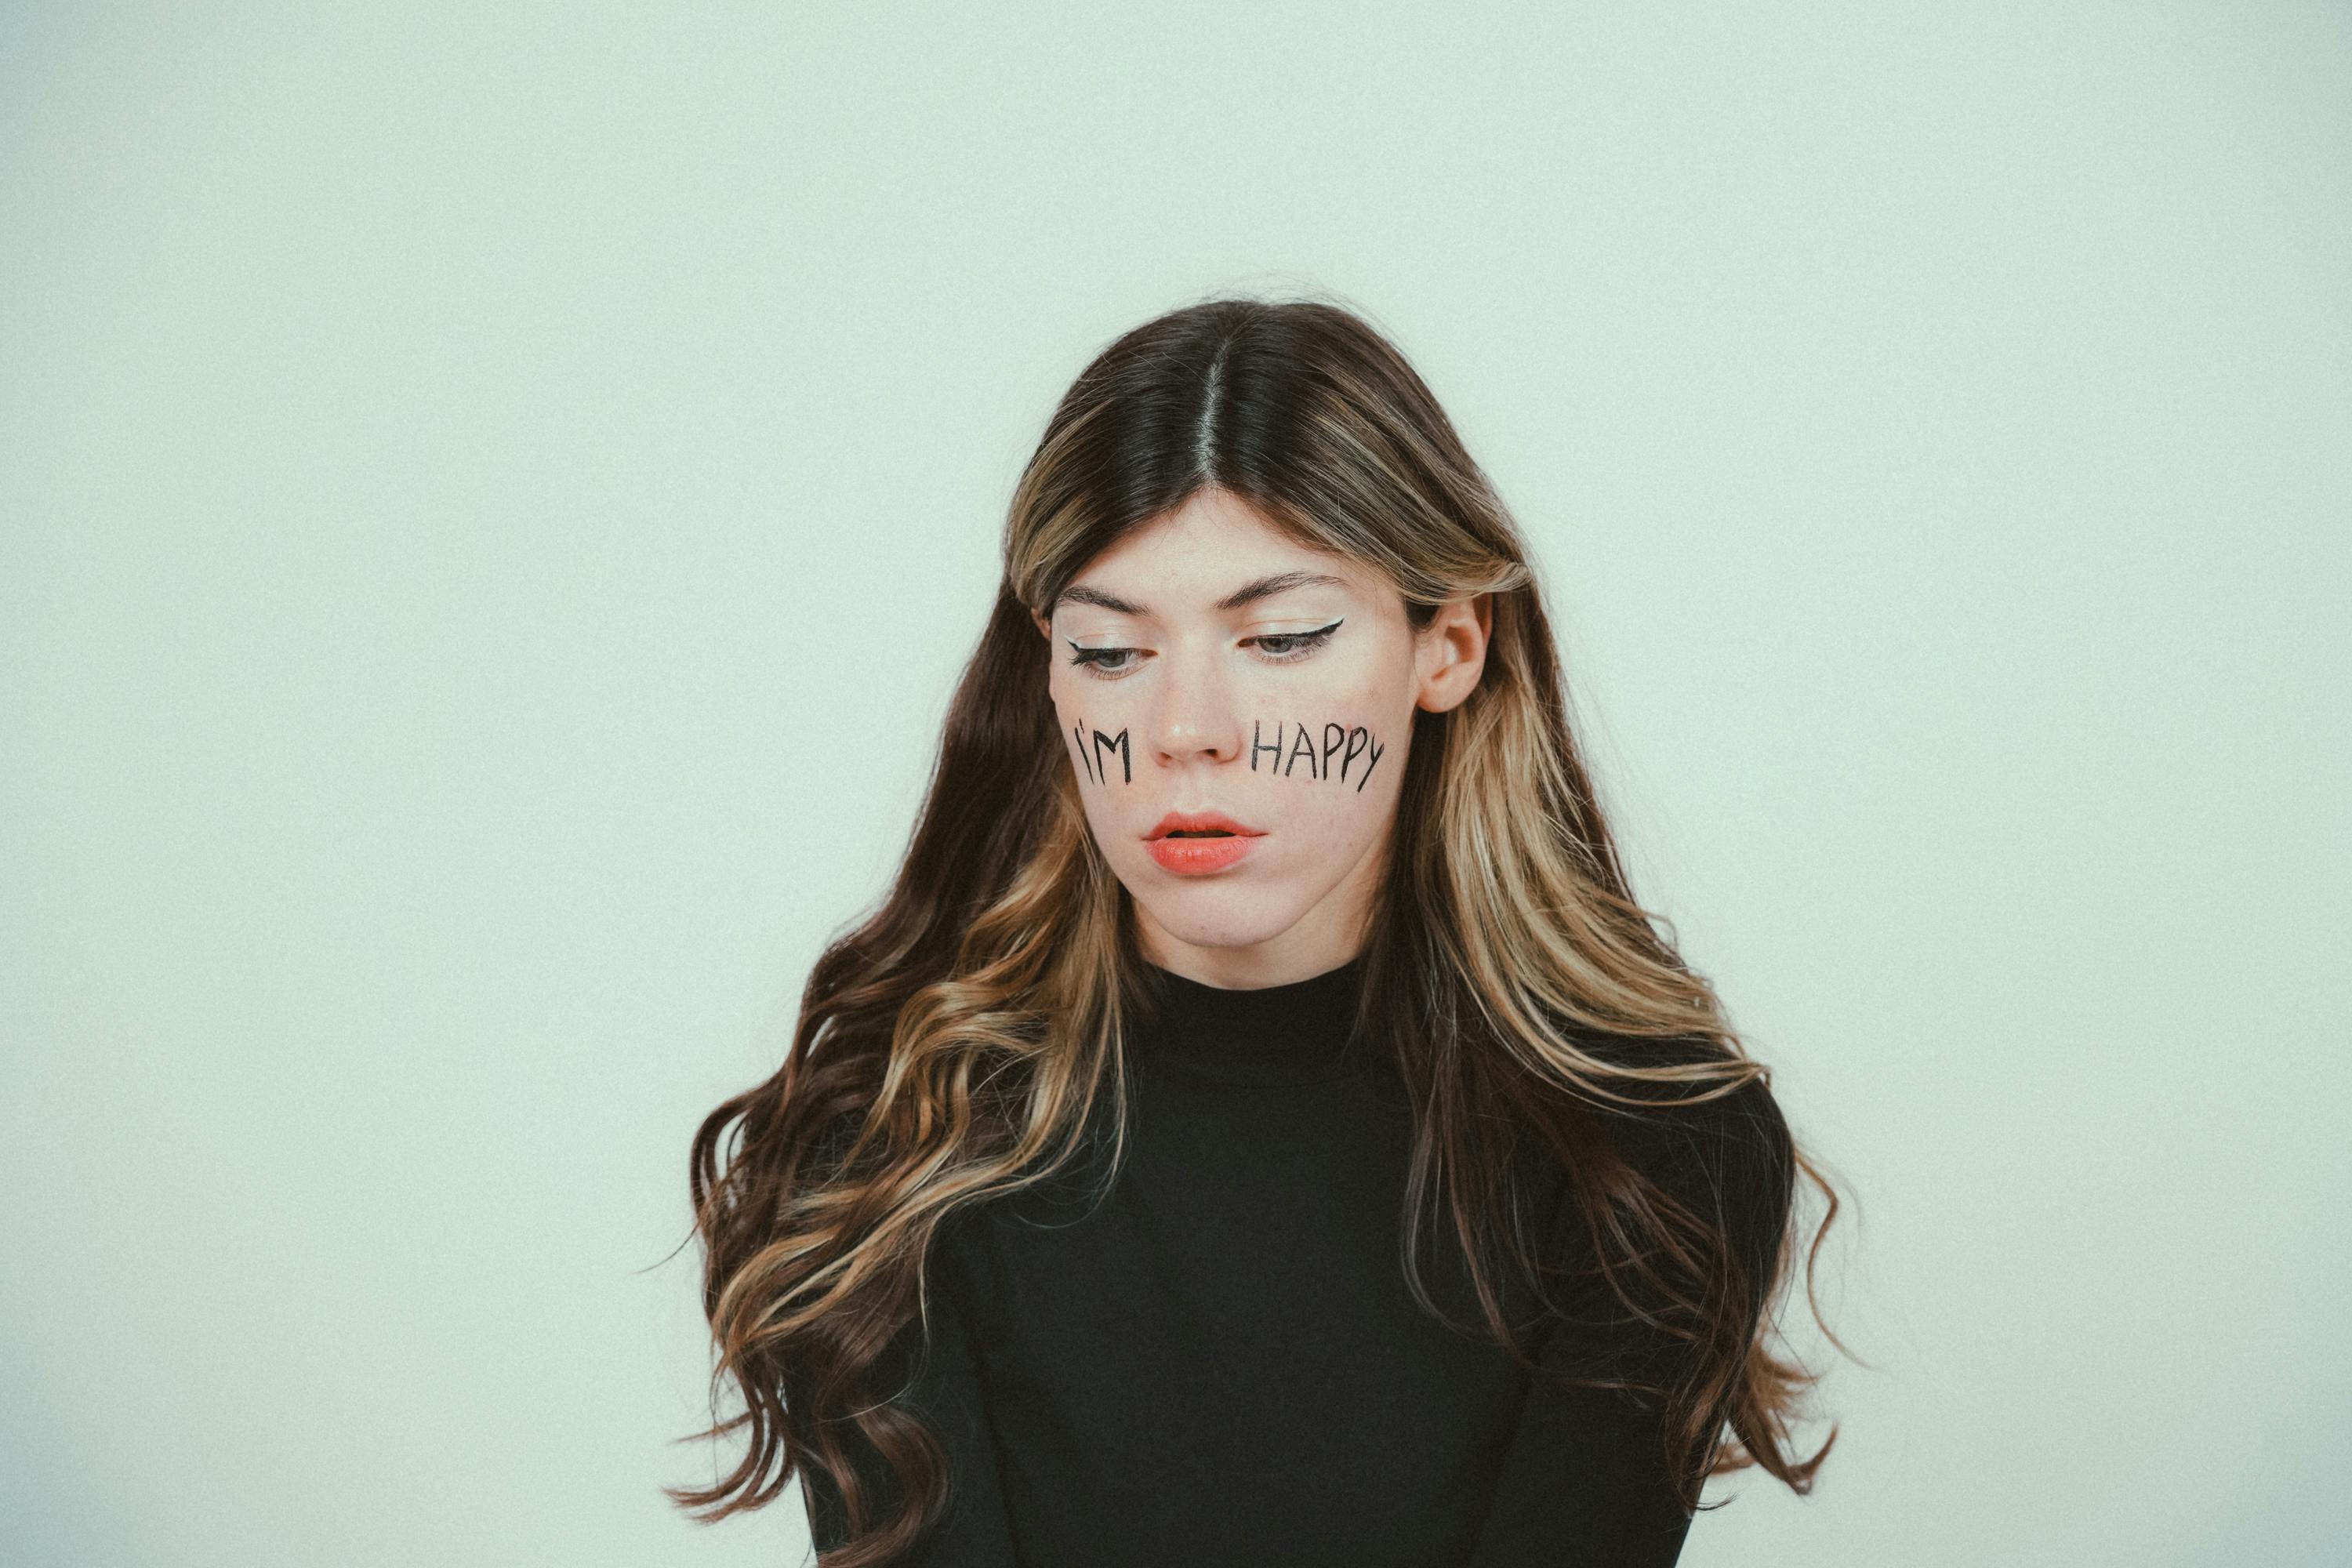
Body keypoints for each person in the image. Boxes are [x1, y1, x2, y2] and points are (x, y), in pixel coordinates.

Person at [670, 295, 1841, 1567]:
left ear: (1448, 646)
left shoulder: (1651, 1158)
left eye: (1280, 639)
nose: (1188, 729)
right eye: (1110, 651)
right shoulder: (888, 1142)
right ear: (1049, 673)